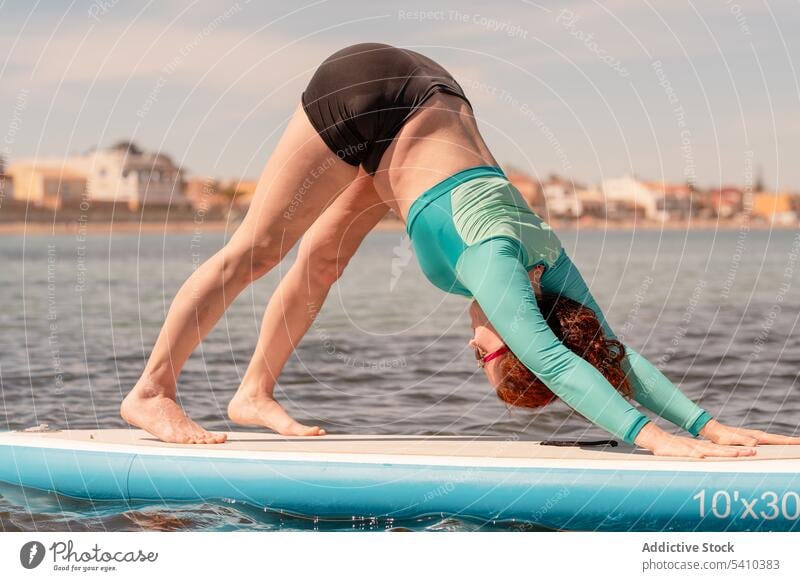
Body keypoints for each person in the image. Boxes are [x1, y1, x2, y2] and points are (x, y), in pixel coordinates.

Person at [121, 43, 800, 456]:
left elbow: (610, 351)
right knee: (260, 248)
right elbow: (559, 365)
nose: (476, 349)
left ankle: (253, 392)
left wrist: (709, 425)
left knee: (322, 260)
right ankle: (152, 390)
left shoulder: (550, 263)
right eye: (491, 357)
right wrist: (653, 437)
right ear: (514, 329)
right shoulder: (496, 264)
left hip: (422, 111)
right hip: (377, 95)